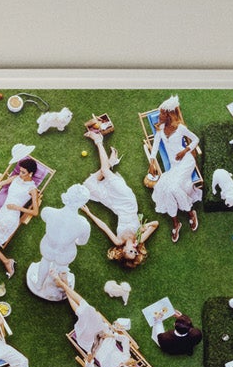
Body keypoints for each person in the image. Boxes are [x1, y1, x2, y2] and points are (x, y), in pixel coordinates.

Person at [79, 125, 158, 266]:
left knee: (88, 186)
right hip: (127, 201)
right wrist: (144, 227)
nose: (133, 251)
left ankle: (111, 162)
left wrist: (89, 212)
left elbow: (103, 226)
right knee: (104, 170)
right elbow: (156, 224)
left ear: (122, 250)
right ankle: (98, 140)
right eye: (135, 252)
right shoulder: (139, 239)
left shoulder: (118, 241)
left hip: (115, 206)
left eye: (130, 252)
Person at [145, 96, 202, 243]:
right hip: (175, 166)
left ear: (169, 115)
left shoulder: (180, 128)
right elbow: (155, 146)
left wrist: (185, 151)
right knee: (164, 188)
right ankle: (178, 221)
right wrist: (152, 161)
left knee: (172, 188)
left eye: (162, 113)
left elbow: (196, 139)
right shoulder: (161, 129)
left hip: (187, 162)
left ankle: (188, 214)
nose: (159, 116)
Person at [23, 183, 92, 301]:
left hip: (48, 248)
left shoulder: (48, 212)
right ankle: (59, 285)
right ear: (82, 203)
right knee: (62, 267)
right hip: (65, 253)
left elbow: (45, 219)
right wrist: (72, 239)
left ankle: (39, 284)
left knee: (44, 262)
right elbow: (82, 242)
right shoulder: (84, 225)